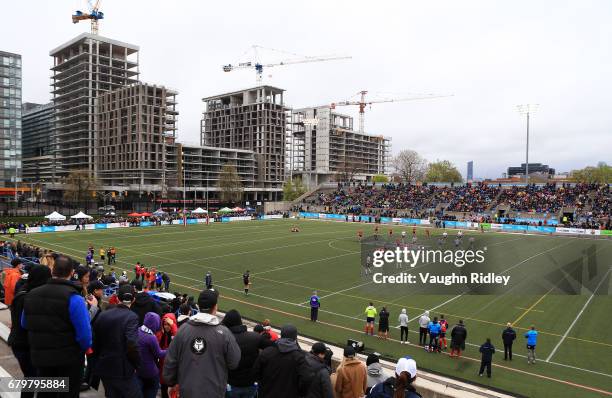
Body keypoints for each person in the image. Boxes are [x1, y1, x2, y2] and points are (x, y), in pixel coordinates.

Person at [22, 255, 92, 397]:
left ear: (53, 270)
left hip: (41, 357)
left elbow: (24, 323)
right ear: (72, 272)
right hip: (68, 360)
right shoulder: (74, 298)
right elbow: (85, 336)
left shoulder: (32, 294)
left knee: (46, 393)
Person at [163, 289, 241, 398]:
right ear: (215, 307)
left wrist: (171, 382)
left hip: (187, 390)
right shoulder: (224, 333)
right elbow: (234, 362)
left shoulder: (183, 330)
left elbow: (171, 360)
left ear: (199, 306)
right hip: (214, 392)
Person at [92, 283, 142, 398]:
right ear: (133, 300)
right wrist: (137, 364)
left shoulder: (103, 315)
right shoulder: (132, 317)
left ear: (118, 298)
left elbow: (95, 342)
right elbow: (132, 345)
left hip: (105, 367)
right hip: (122, 371)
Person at [8, 265, 51, 398]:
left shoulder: (24, 291)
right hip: (24, 344)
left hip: (21, 342)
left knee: (31, 377)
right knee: (32, 378)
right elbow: (29, 324)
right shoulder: (27, 297)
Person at [253, 324, 312, 398]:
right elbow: (307, 378)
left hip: (267, 393)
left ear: (282, 334)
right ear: (295, 337)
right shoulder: (299, 357)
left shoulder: (267, 352)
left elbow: (255, 372)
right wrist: (300, 393)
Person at [222, 309, 267, 398]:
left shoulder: (224, 338)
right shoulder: (255, 337)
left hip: (231, 384)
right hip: (250, 384)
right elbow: (273, 348)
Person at [137, 312, 166, 398]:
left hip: (138, 370)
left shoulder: (137, 330)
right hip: (150, 373)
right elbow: (159, 354)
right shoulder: (151, 337)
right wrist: (169, 350)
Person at [156, 313, 177, 398]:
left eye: (168, 325)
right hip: (162, 368)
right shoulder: (161, 333)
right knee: (164, 390)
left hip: (171, 370)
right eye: (164, 324)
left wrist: (173, 326)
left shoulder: (176, 333)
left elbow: (178, 338)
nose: (166, 327)